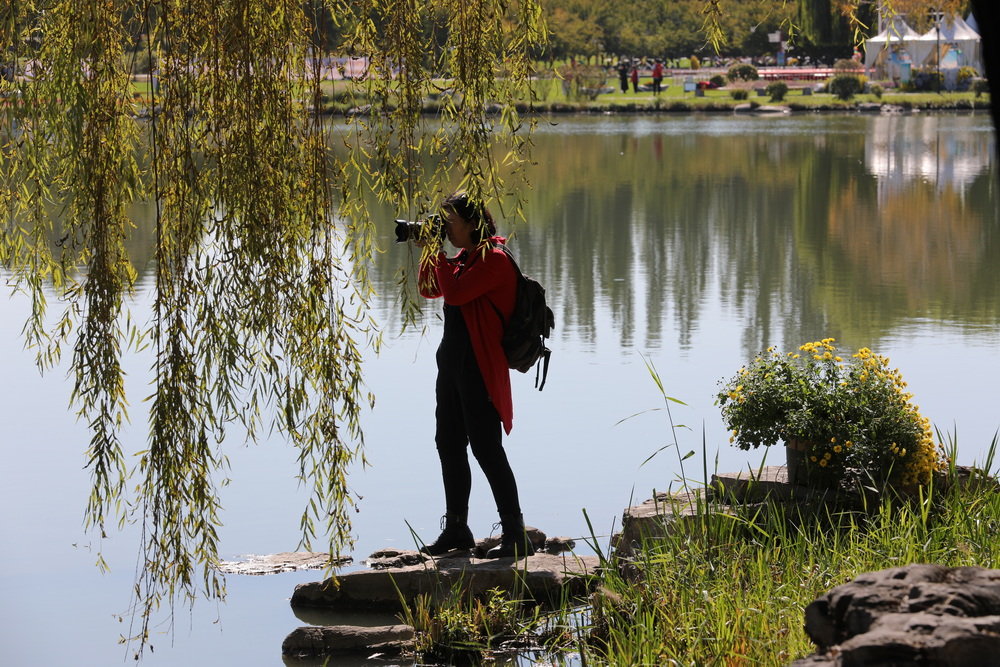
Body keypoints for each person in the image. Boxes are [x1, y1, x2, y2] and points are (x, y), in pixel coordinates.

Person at [413, 191, 534, 560]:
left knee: (486, 448)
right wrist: (430, 253)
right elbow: (430, 289)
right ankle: (457, 529)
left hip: (479, 367)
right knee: (448, 443)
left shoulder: (494, 259)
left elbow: (455, 294)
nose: (447, 230)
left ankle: (515, 533)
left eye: (451, 222)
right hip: (452, 365)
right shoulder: (465, 259)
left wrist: (438, 255)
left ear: (471, 223)